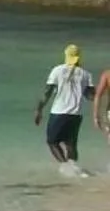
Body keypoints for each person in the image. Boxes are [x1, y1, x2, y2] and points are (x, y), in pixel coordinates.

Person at [35, 44, 95, 177]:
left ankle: (66, 166)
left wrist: (39, 110)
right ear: (79, 58)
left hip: (59, 112)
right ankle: (74, 167)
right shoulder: (86, 74)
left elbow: (47, 93)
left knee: (52, 141)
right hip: (76, 115)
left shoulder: (57, 70)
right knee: (71, 143)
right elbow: (91, 96)